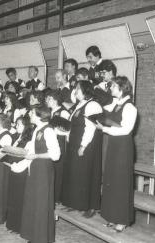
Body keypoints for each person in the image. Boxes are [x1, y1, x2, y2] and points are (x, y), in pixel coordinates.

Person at [96, 76, 137, 232]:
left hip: (123, 148)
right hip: (113, 145)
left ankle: (122, 220)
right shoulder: (116, 104)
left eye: (113, 86)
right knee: (111, 180)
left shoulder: (130, 108)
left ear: (121, 88)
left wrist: (104, 129)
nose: (110, 89)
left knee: (121, 183)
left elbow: (126, 130)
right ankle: (112, 217)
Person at [61, 81, 103, 218]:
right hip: (75, 143)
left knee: (87, 174)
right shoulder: (79, 105)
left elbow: (90, 128)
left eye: (78, 89)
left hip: (87, 145)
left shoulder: (93, 105)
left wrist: (83, 145)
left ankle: (91, 206)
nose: (75, 91)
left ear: (86, 90)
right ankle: (76, 203)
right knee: (76, 174)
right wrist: (68, 135)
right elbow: (73, 125)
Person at [20, 105, 61, 243]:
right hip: (35, 168)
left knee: (41, 203)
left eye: (31, 112)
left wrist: (36, 156)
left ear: (39, 115)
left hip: (43, 170)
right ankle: (35, 235)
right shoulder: (37, 128)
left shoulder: (48, 130)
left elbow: (55, 155)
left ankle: (42, 238)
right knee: (34, 202)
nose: (29, 114)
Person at [4, 116, 33, 233]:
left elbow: (26, 157)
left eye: (19, 124)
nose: (16, 126)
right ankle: (12, 224)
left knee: (19, 198)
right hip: (13, 168)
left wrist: (15, 164)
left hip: (21, 170)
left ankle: (18, 226)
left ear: (26, 126)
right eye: (16, 124)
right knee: (13, 197)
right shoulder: (16, 137)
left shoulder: (29, 140)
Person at [45, 90, 70, 203]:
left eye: (49, 98)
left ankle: (57, 197)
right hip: (50, 140)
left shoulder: (63, 112)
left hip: (59, 141)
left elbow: (67, 131)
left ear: (55, 100)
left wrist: (56, 130)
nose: (47, 101)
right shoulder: (49, 112)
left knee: (58, 169)